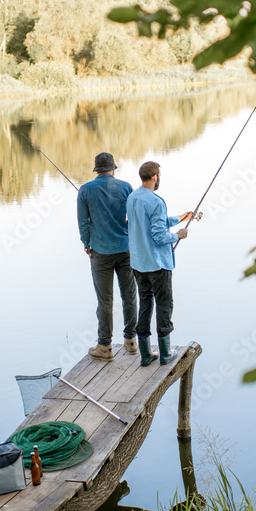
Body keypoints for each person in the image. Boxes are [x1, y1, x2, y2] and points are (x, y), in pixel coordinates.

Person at [126, 161, 198, 367]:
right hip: (157, 264)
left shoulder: (132, 197)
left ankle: (146, 354)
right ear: (155, 176)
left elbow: (150, 222)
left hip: (139, 264)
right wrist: (178, 235)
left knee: (145, 304)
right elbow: (158, 235)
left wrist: (181, 217)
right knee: (165, 305)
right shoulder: (157, 201)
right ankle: (166, 353)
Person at [77, 152, 139, 360]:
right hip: (125, 249)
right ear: (113, 169)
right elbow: (133, 218)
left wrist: (87, 244)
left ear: (96, 169)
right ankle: (131, 341)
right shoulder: (125, 187)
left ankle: (105, 346)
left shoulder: (85, 190)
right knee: (129, 295)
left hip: (100, 252)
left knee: (105, 300)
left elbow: (83, 222)